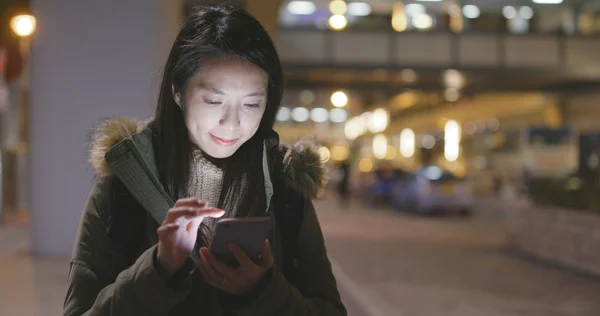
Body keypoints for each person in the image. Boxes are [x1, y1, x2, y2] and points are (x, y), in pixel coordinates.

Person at [63, 5, 347, 316]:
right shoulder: (124, 186)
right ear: (177, 91)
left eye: (252, 104)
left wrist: (264, 291)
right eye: (213, 100)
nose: (232, 122)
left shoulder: (285, 187)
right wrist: (158, 270)